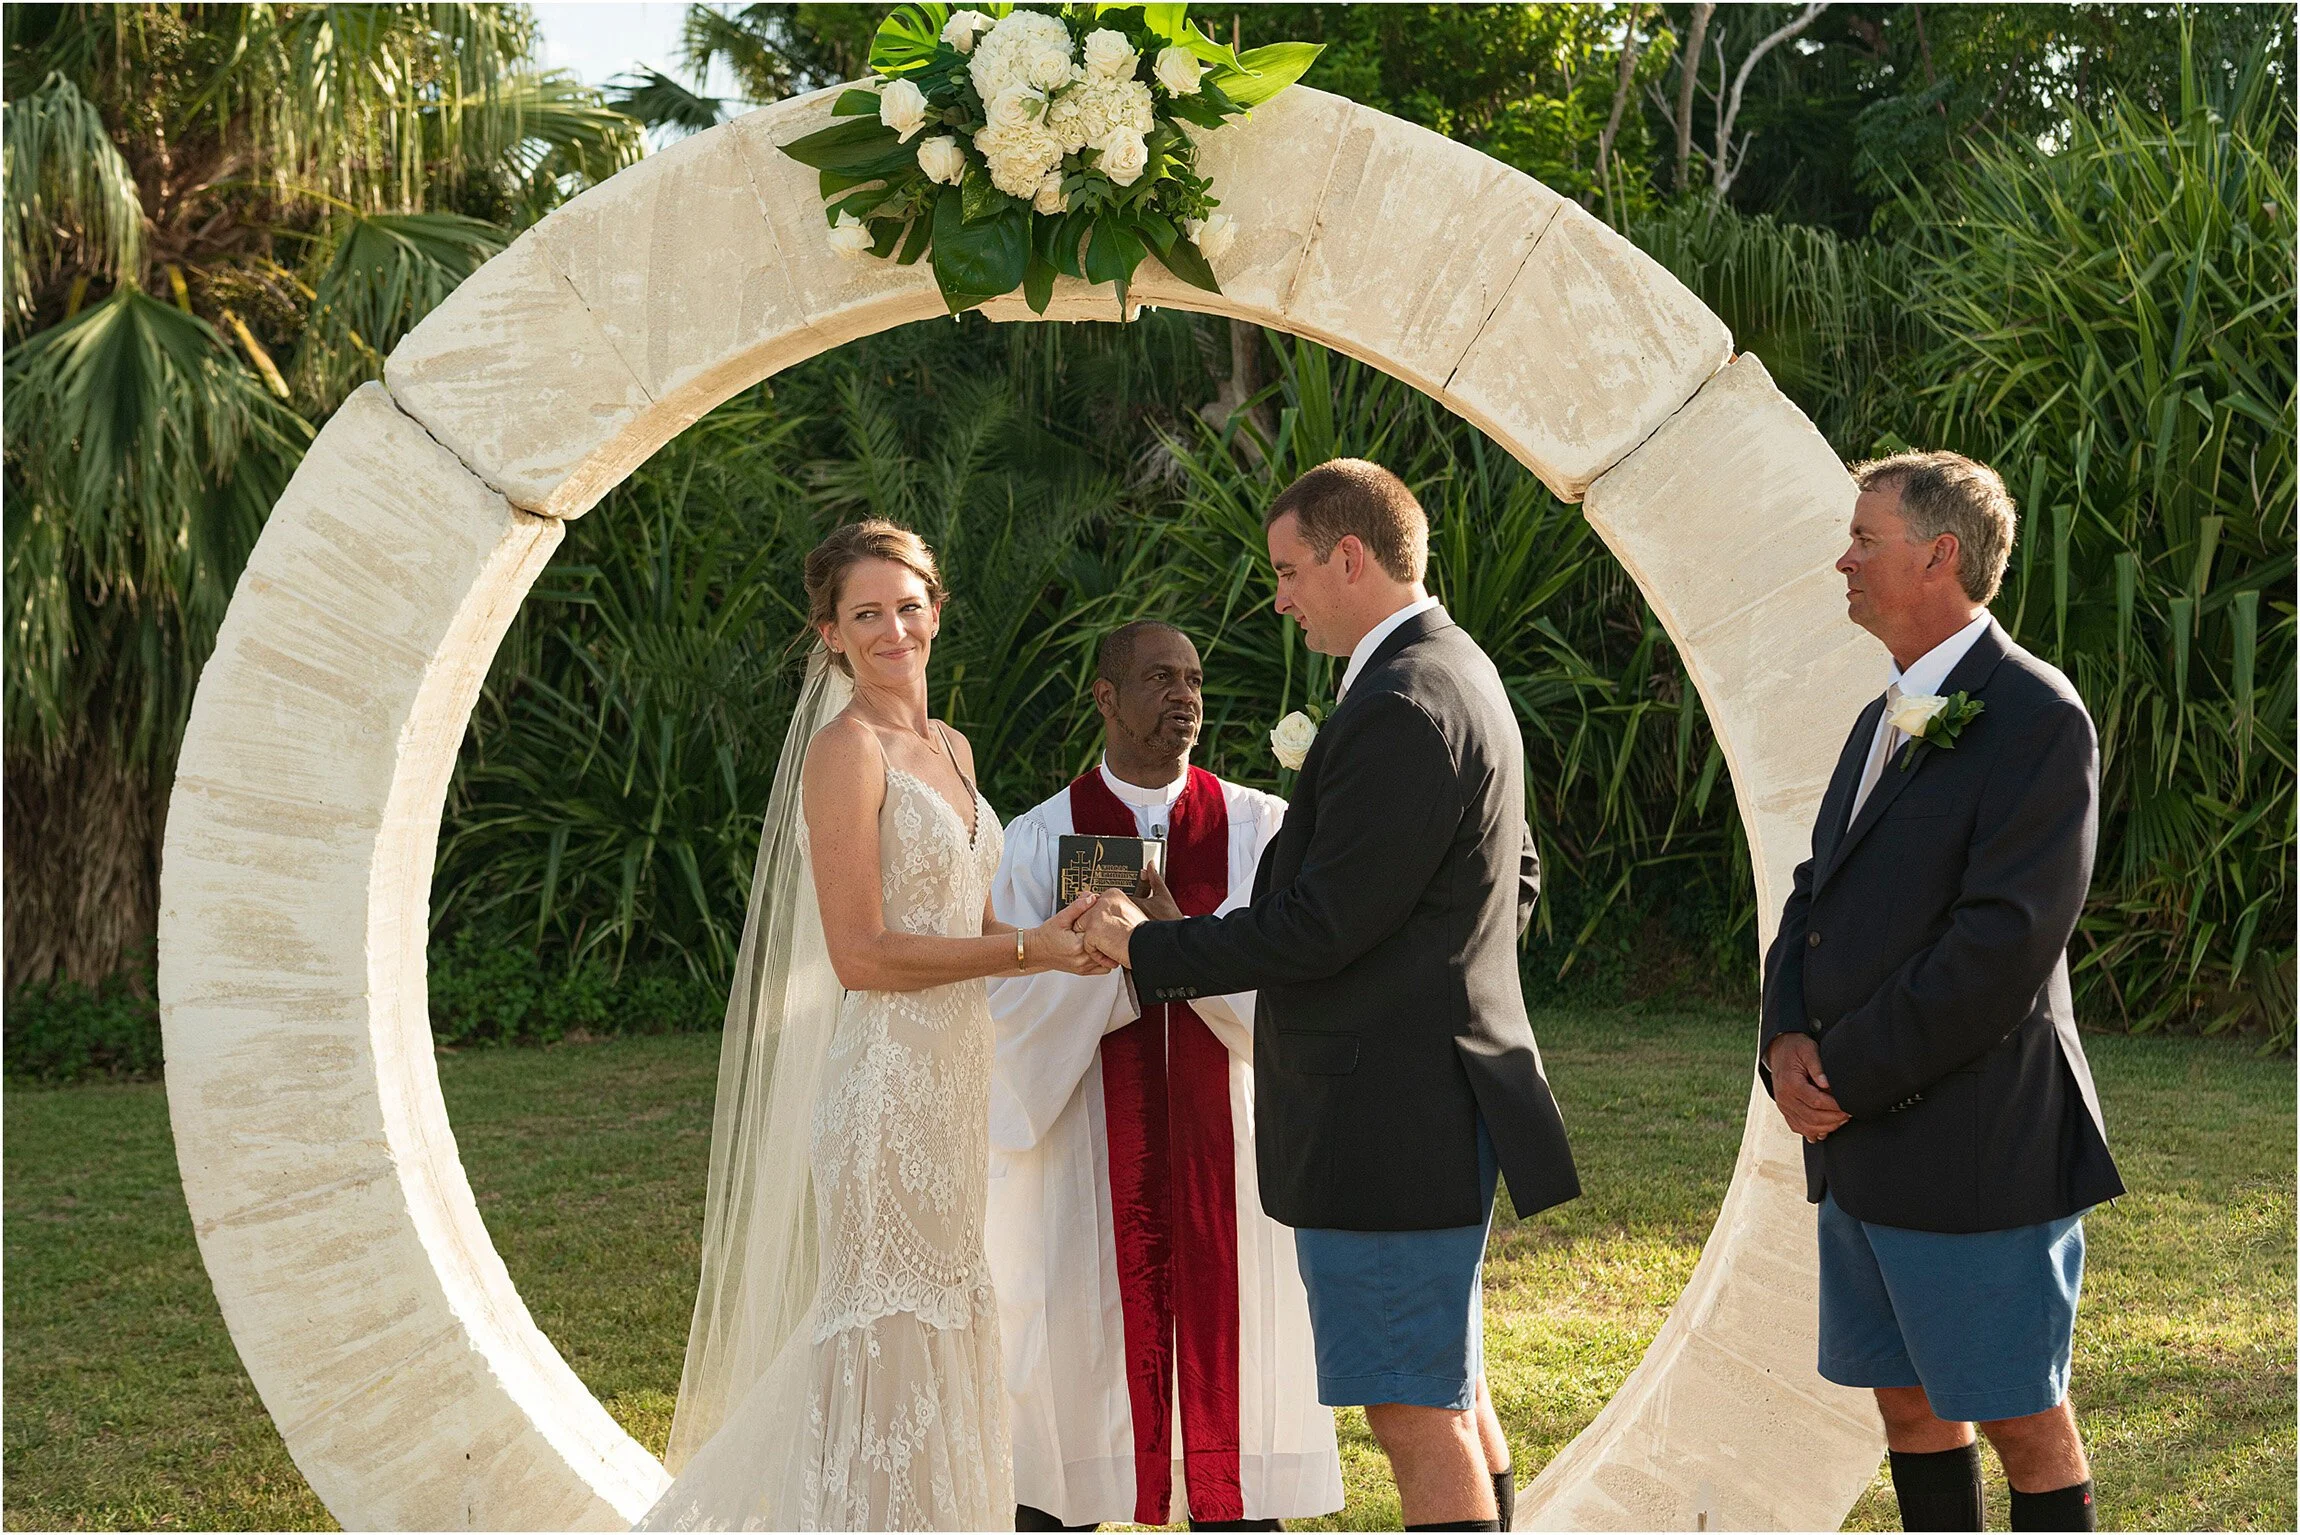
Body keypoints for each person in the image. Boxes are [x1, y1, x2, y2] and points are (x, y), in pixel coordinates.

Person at [1070, 460, 1580, 1532]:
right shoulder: (1454, 668)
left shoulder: (1400, 702)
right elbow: (1513, 874)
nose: (1279, 597)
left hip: (1389, 1113)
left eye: (1288, 569)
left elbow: (1320, 925)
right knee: (1448, 1387)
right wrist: (1435, 963)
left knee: (1411, 1409)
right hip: (1428, 1096)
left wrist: (1148, 947)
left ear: (1351, 557)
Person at [640, 520, 1106, 1532]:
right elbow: (862, 954)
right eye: (866, 614)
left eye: (908, 606)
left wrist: (1059, 937)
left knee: (943, 1319)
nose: (894, 629)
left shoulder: (952, 747)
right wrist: (1025, 952)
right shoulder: (843, 752)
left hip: (955, 1086)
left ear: (936, 611)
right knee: (883, 1330)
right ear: (830, 634)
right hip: (886, 1090)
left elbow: (973, 924)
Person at [1757, 452, 2124, 1534]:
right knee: (1908, 1404)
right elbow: (1815, 891)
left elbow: (2000, 948)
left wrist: (1844, 1072)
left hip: (1976, 1143)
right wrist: (1784, 1037)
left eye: (1863, 540)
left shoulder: (2036, 716)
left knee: (2020, 1414)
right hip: (1865, 1141)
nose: (1843, 560)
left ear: (1939, 555)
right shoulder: (1883, 713)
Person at [986, 620, 1343, 1532]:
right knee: (1080, 1390)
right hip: (1086, 1152)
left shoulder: (1262, 828)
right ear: (1105, 697)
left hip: (1229, 1149)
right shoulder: (1039, 839)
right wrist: (1112, 965)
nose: (1184, 695)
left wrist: (1171, 944)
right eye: (1159, 678)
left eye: (1193, 679)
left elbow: (1298, 994)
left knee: (1237, 1406)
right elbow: (1007, 1013)